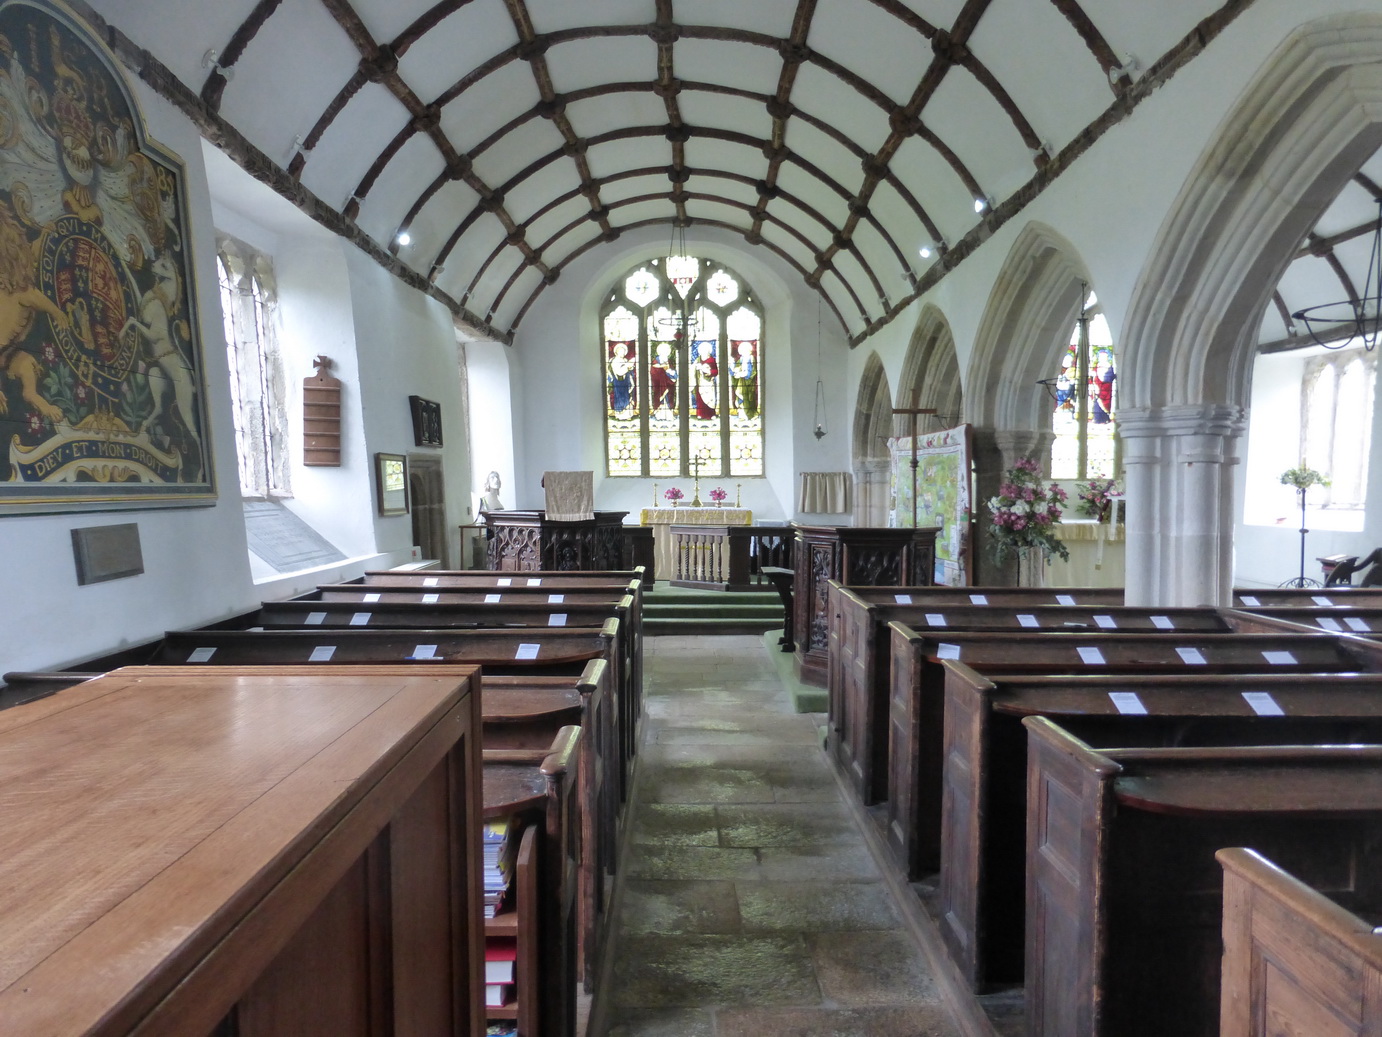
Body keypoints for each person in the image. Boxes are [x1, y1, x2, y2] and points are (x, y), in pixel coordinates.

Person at [729, 340, 757, 419]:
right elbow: (735, 369)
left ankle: (749, 415)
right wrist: (732, 366)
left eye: (745, 350)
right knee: (740, 396)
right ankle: (742, 414)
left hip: (748, 382)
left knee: (748, 398)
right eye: (742, 350)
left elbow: (752, 371)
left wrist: (744, 374)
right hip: (741, 382)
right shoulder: (741, 359)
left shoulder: (751, 358)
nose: (743, 352)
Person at [607, 341, 635, 418]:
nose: (623, 353)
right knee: (619, 397)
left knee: (627, 397)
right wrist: (627, 367)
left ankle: (627, 415)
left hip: (626, 381)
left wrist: (630, 367)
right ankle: (620, 415)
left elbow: (629, 371)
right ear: (617, 352)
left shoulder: (625, 360)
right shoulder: (614, 360)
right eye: (621, 351)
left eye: (623, 352)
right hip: (618, 382)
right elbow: (618, 372)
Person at [649, 340, 676, 415]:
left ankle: (669, 411)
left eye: (666, 351)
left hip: (668, 382)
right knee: (658, 395)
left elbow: (673, 372)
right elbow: (652, 371)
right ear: (660, 352)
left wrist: (670, 372)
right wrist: (661, 368)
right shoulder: (656, 361)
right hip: (658, 383)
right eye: (663, 351)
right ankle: (658, 411)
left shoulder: (669, 361)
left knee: (669, 396)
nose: (665, 352)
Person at [692, 339, 717, 419]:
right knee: (700, 398)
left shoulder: (712, 360)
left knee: (710, 398)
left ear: (708, 351)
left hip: (709, 382)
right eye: (702, 350)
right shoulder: (697, 360)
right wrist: (695, 367)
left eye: (705, 350)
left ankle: (711, 414)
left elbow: (716, 371)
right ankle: (700, 414)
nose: (704, 351)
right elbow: (692, 369)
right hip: (700, 381)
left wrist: (707, 371)